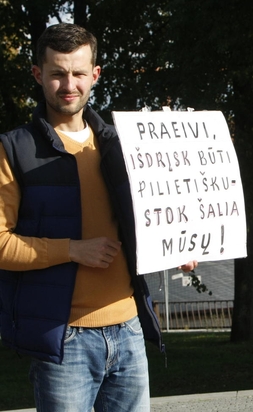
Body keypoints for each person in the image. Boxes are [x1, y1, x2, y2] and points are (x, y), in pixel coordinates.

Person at [0, 23, 196, 412]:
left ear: (95, 75)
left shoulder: (124, 146)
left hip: (129, 330)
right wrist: (72, 250)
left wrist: (172, 247)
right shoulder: (13, 149)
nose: (68, 84)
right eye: (57, 73)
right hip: (63, 340)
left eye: (77, 73)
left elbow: (145, 220)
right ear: (39, 75)